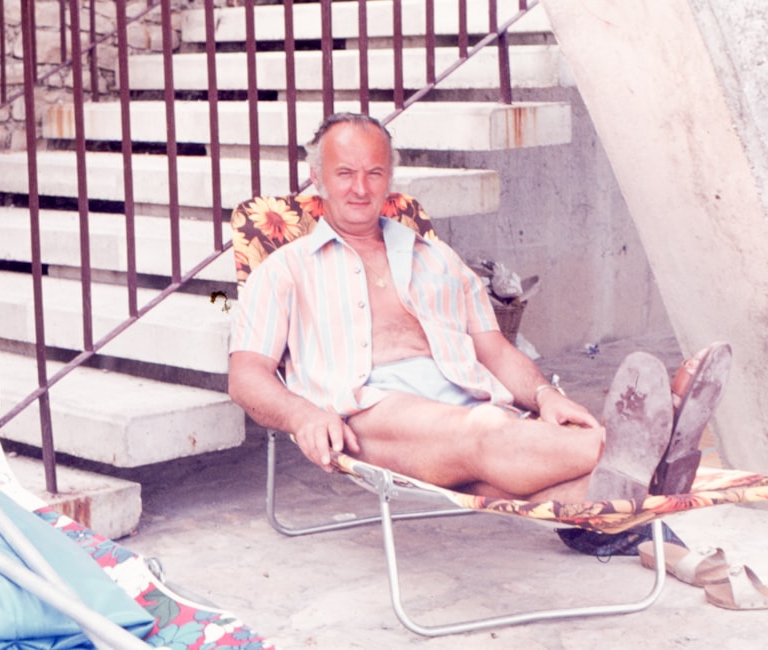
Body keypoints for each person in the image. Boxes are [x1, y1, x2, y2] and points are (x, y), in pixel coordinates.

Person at [228, 112, 725, 504]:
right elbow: (246, 375)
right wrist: (301, 417)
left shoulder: (438, 258)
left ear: (390, 178)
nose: (360, 188)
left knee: (527, 471)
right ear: (317, 178)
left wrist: (544, 396)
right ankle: (655, 446)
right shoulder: (284, 270)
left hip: (471, 401)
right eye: (345, 174)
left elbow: (493, 351)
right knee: (487, 431)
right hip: (369, 411)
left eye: (374, 173)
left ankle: (627, 481)